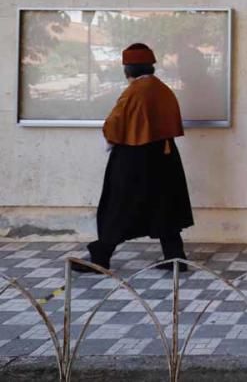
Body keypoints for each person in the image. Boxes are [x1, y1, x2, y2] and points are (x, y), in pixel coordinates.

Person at [71, 43, 195, 273]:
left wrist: (110, 142)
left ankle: (100, 257)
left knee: (118, 204)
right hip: (165, 155)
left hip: (133, 157)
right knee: (163, 204)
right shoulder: (161, 88)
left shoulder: (134, 91)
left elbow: (114, 125)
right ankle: (174, 256)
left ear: (128, 69)